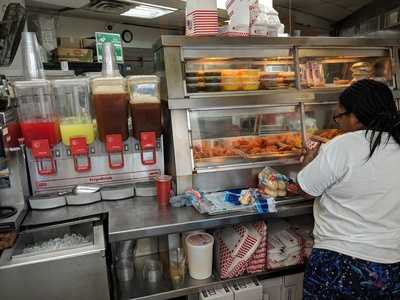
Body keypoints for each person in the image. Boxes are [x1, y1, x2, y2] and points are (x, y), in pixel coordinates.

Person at [297, 79, 400, 299]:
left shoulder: (343, 145)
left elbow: (307, 188)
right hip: (391, 266)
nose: (338, 124)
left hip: (339, 261)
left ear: (354, 117)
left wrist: (309, 159)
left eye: (338, 117)